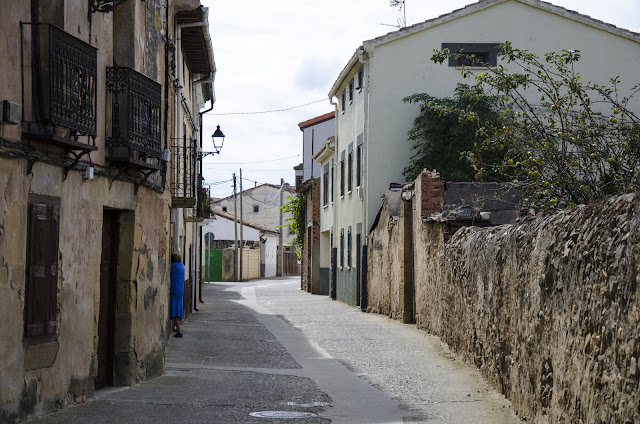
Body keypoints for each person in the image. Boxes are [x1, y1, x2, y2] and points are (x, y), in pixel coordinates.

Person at [170, 253, 185, 338]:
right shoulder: (182, 266)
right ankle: (179, 328)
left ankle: (179, 331)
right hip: (180, 290)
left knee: (174, 311)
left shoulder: (173, 266)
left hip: (173, 290)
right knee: (178, 310)